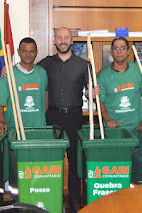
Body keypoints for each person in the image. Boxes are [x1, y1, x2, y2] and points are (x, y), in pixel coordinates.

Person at [37, 27, 99, 212]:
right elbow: (27, 71)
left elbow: (89, 91)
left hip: (74, 116)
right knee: (52, 160)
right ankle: (51, 194)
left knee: (74, 160)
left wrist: (92, 93)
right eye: (59, 38)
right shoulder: (46, 63)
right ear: (54, 40)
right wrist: (7, 71)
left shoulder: (83, 64)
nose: (63, 41)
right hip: (53, 116)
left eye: (66, 38)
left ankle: (74, 198)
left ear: (72, 41)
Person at [0, 37, 48, 195]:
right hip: (15, 133)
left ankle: (35, 199)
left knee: (35, 170)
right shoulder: (9, 74)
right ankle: (17, 203)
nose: (28, 54)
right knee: (16, 173)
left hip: (38, 132)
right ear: (18, 52)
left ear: (36, 53)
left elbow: (44, 97)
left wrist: (37, 117)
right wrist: (1, 121)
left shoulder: (41, 73)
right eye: (24, 51)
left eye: (32, 51)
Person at [97, 37, 142, 186]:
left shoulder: (138, 71)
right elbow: (99, 101)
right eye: (116, 48)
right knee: (116, 172)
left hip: (135, 129)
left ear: (128, 51)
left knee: (138, 173)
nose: (119, 51)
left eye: (122, 48)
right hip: (115, 132)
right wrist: (107, 119)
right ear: (111, 52)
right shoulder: (103, 75)